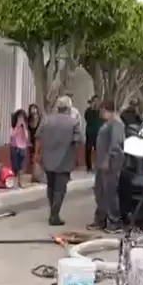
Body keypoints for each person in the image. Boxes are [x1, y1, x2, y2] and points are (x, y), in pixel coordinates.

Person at [34, 96, 82, 225]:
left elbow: (38, 137)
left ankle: (53, 212)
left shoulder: (46, 120)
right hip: (65, 159)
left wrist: (37, 154)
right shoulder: (73, 122)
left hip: (47, 159)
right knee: (60, 188)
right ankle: (54, 214)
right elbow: (77, 142)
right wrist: (77, 158)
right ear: (69, 108)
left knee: (51, 186)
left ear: (57, 107)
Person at [88, 99, 125, 233]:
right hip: (102, 163)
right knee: (100, 192)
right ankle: (100, 219)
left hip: (110, 164)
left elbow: (116, 144)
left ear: (105, 109)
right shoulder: (108, 123)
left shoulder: (116, 123)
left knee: (109, 192)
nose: (99, 113)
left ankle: (115, 221)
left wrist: (108, 159)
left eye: (101, 110)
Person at [9, 109, 29, 187]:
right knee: (15, 165)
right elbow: (12, 135)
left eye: (22, 117)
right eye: (19, 117)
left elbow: (26, 138)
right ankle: (15, 182)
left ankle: (20, 182)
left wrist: (24, 128)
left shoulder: (24, 127)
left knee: (21, 166)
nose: (21, 119)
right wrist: (17, 126)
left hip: (22, 147)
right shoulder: (13, 126)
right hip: (14, 147)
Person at [84, 96, 102, 172]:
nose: (96, 103)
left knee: (99, 149)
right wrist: (92, 109)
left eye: (97, 101)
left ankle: (98, 166)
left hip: (99, 132)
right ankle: (89, 167)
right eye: (94, 101)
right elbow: (87, 118)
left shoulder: (101, 111)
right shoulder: (88, 111)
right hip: (90, 132)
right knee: (88, 149)